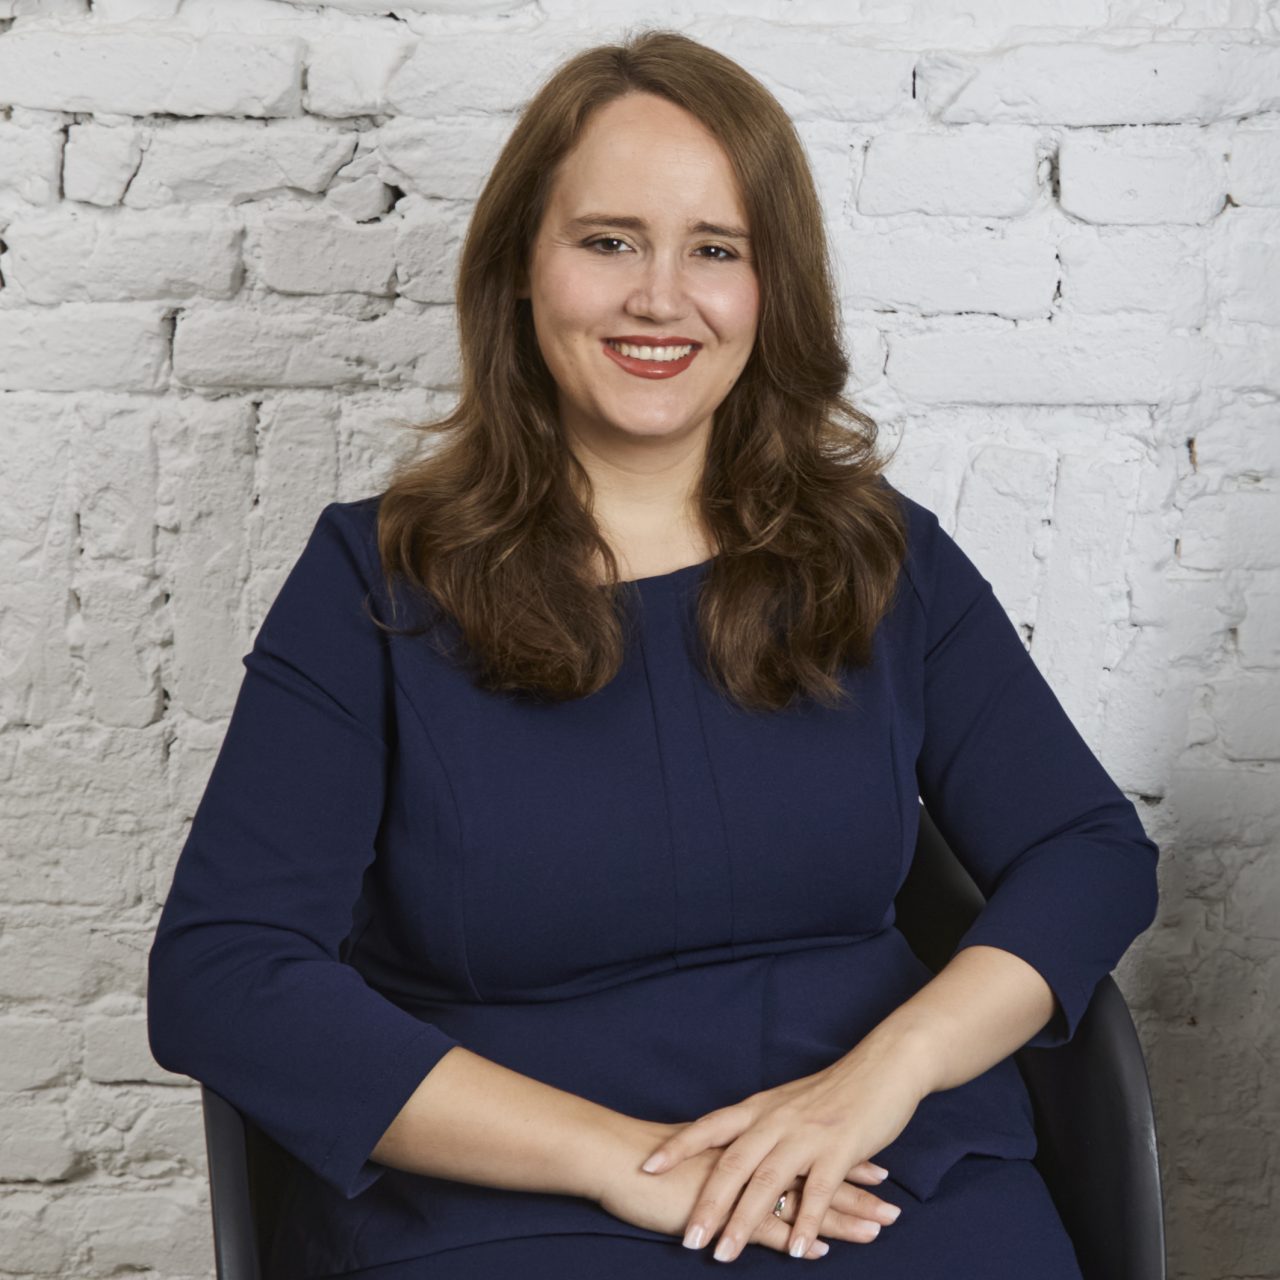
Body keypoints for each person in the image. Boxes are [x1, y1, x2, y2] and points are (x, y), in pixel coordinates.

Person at [146, 27, 1160, 1279]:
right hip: (505, 1198)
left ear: (768, 290)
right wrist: (620, 1159)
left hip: (878, 1177)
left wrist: (880, 1076)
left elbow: (1088, 849)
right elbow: (223, 967)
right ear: (523, 266)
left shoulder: (883, 557)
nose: (658, 297)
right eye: (608, 239)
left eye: (715, 250)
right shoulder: (373, 585)